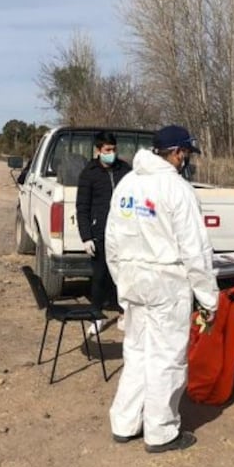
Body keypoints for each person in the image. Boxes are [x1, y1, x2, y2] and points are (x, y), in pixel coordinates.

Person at [105, 124, 217, 453]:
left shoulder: (127, 183)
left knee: (137, 353)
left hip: (132, 279)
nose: (186, 160)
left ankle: (125, 422)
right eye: (185, 154)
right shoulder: (177, 189)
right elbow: (196, 251)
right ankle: (161, 431)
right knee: (167, 358)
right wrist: (208, 298)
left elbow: (111, 240)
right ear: (177, 153)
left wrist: (120, 282)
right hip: (167, 282)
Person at [76, 132, 132, 334]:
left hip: (124, 233)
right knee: (99, 276)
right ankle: (96, 314)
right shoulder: (89, 173)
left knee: (124, 275)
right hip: (99, 232)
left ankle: (125, 312)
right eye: (107, 150)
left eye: (114, 149)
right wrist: (86, 237)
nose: (112, 153)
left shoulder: (125, 170)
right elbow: (82, 207)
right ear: (98, 151)